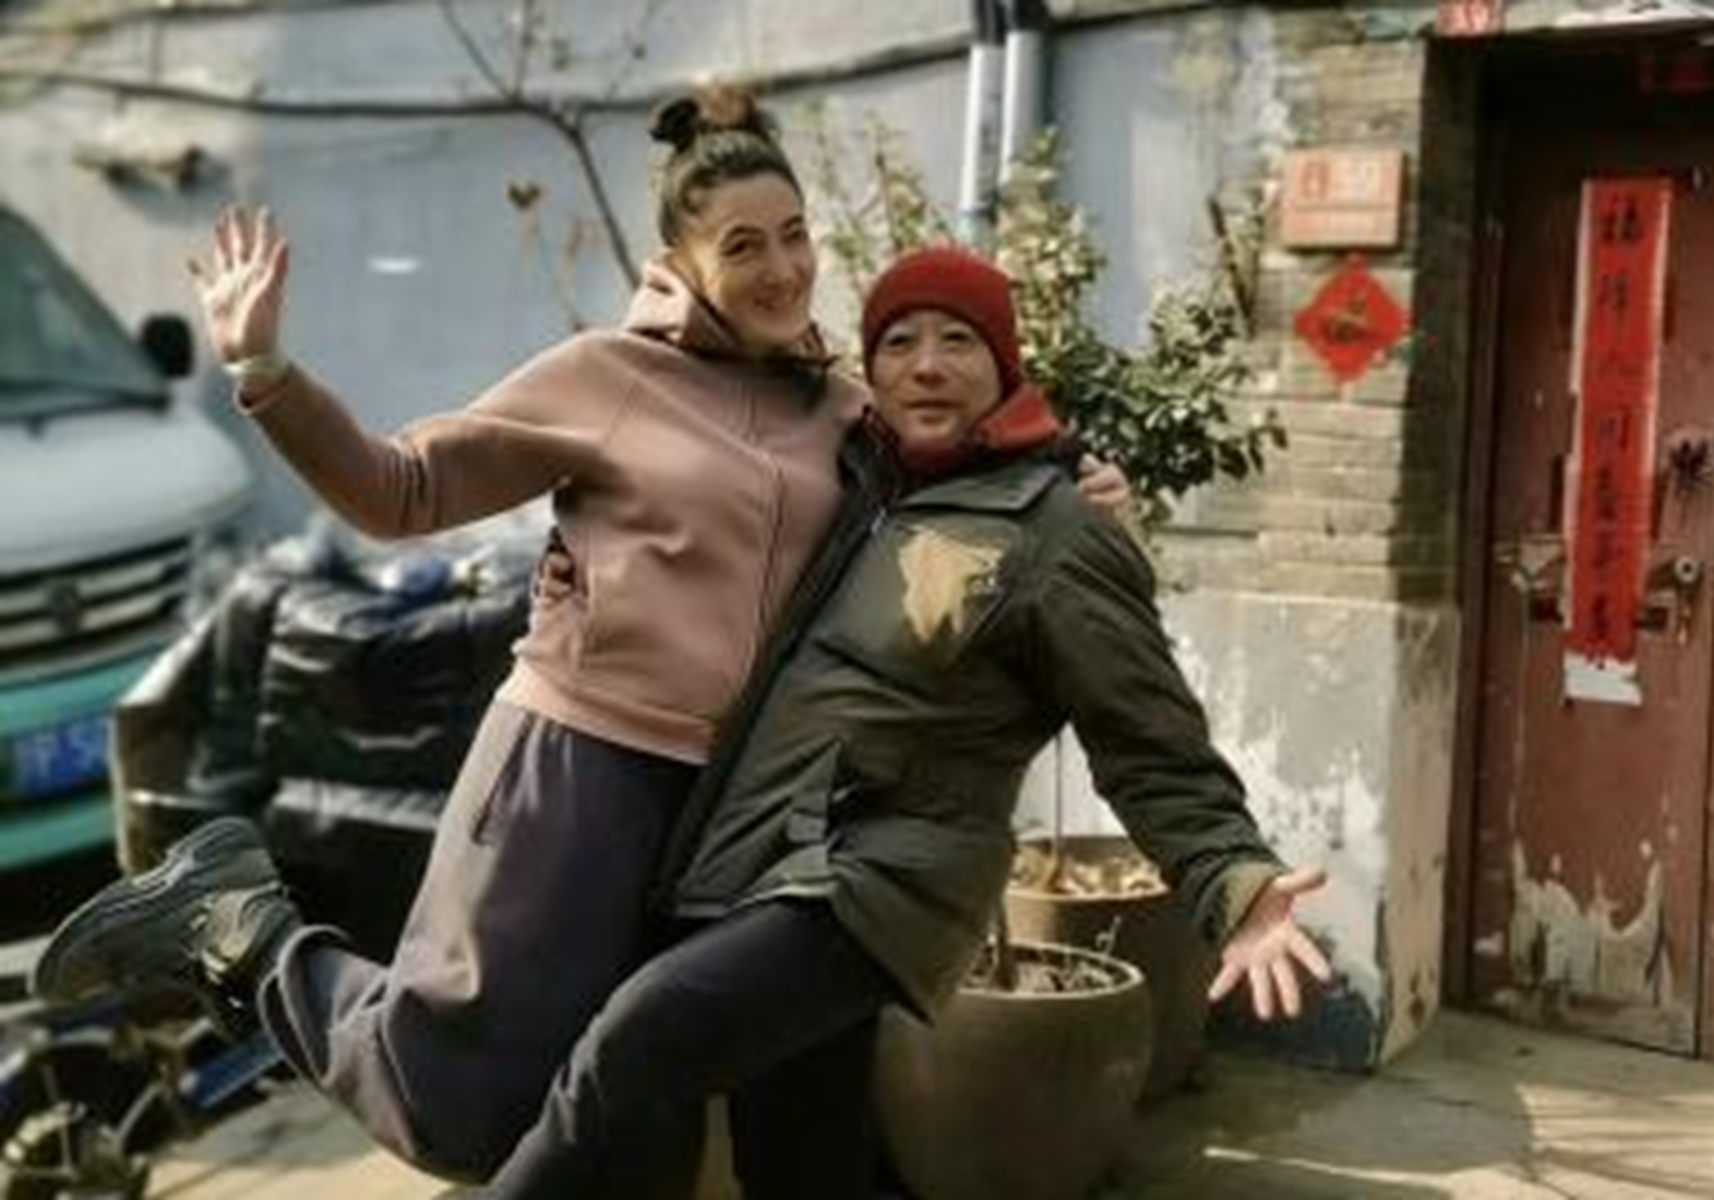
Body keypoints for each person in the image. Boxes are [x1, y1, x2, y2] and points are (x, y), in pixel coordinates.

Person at [30, 91, 1125, 1190]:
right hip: (575, 770)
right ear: (682, 262)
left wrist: (1077, 489)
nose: (782, 269)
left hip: (732, 813)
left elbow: (960, 475)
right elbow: (402, 487)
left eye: (794, 236)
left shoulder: (842, 411)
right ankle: (243, 927)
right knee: (456, 1101)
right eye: (741, 246)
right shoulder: (605, 379)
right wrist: (266, 374)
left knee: (632, 1122)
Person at [470, 245, 1335, 1199]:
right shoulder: (850, 491)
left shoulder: (1055, 529)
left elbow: (1147, 736)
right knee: (803, 1157)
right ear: (868, 372)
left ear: (1004, 365)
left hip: (878, 883)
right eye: (901, 342)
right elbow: (737, 384)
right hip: (763, 864)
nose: (927, 364)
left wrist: (1233, 880)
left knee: (641, 1036)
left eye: (958, 340)